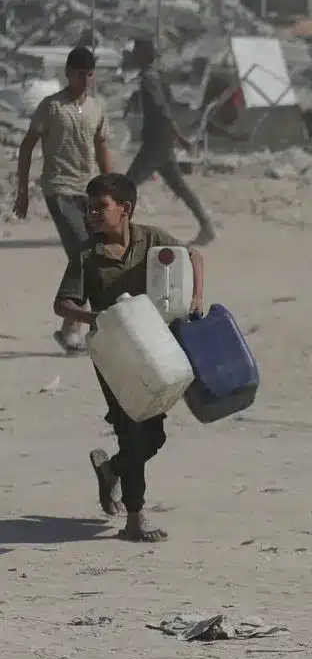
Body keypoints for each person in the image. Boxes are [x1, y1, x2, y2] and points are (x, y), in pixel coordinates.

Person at [54, 173, 204, 543]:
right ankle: (135, 519)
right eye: (89, 208)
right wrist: (95, 318)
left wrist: (197, 296)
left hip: (154, 350)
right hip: (115, 356)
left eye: (100, 207)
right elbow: (63, 304)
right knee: (131, 430)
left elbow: (194, 254)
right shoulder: (87, 255)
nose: (91, 214)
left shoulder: (151, 240)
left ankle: (111, 471)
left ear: (125, 209)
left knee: (154, 436)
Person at [15, 46, 114, 353]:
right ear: (67, 74)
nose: (82, 80)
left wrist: (113, 191)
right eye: (76, 74)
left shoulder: (97, 108)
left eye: (87, 75)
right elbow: (27, 146)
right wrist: (22, 192)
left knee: (94, 253)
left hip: (89, 190)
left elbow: (102, 149)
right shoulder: (52, 107)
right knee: (83, 251)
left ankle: (73, 326)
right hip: (58, 188)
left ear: (92, 76)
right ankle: (74, 324)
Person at [124, 37, 216, 247]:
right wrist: (177, 138)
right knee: (179, 186)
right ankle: (207, 226)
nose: (134, 56)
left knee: (126, 185)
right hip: (162, 141)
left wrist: (180, 137)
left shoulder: (149, 78)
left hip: (156, 142)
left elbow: (163, 111)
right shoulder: (157, 75)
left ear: (144, 55)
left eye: (137, 52)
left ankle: (113, 231)